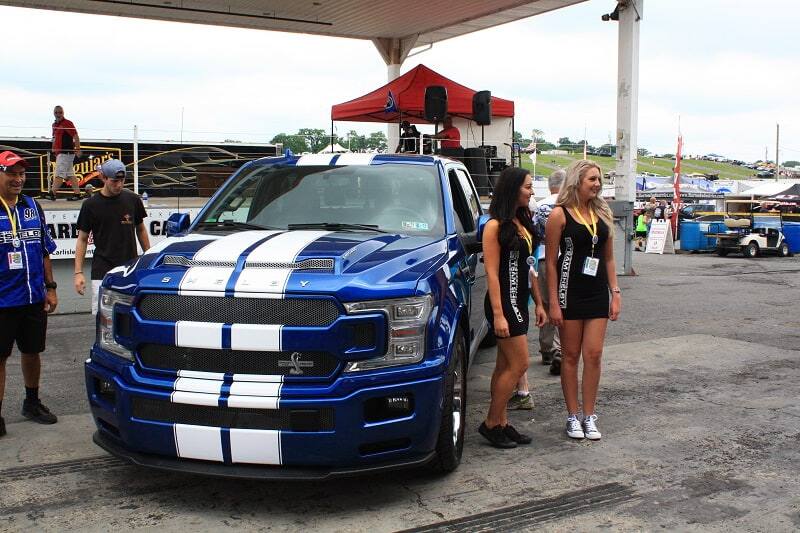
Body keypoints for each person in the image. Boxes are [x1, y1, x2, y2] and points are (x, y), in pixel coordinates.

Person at [546, 159, 621, 441]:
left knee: (594, 355)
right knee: (570, 356)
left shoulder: (602, 212)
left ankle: (590, 415)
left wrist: (615, 292)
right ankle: (572, 415)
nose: (597, 184)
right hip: (569, 293)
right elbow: (551, 262)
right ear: (577, 181)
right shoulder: (560, 215)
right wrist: (553, 301)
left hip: (597, 293)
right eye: (592, 179)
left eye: (599, 179)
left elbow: (609, 258)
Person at [479, 167, 547, 448]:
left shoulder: (523, 220)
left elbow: (530, 268)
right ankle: (491, 422)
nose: (532, 191)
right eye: (528, 187)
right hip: (503, 303)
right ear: (513, 189)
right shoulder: (494, 225)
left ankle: (503, 423)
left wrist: (539, 303)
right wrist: (497, 314)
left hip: (520, 300)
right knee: (519, 364)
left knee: (504, 365)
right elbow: (492, 274)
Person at [0, 151, 59, 438]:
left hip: (33, 297)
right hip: (2, 301)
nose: (18, 179)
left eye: (22, 174)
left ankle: (31, 402)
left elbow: (44, 250)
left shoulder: (33, 206)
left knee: (32, 351)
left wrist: (51, 288)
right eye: (12, 173)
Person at [507, 169, 565, 410]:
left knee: (547, 305)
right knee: (561, 303)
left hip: (539, 260)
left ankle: (546, 350)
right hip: (562, 259)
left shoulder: (539, 207)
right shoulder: (566, 206)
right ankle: (561, 349)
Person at [74, 159, 150, 314]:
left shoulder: (133, 200)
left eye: (122, 180)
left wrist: (149, 258)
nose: (119, 185)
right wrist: (78, 272)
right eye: (115, 181)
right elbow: (82, 239)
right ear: (103, 178)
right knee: (103, 316)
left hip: (129, 269)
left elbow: (141, 229)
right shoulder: (90, 205)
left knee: (129, 314)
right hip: (102, 269)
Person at [48, 106, 82, 201]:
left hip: (66, 152)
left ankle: (52, 193)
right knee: (70, 174)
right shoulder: (54, 125)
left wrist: (78, 148)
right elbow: (54, 138)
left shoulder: (68, 123)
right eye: (56, 112)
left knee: (59, 174)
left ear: (63, 113)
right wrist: (53, 149)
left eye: (60, 112)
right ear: (54, 113)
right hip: (60, 153)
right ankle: (77, 194)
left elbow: (75, 135)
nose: (58, 114)